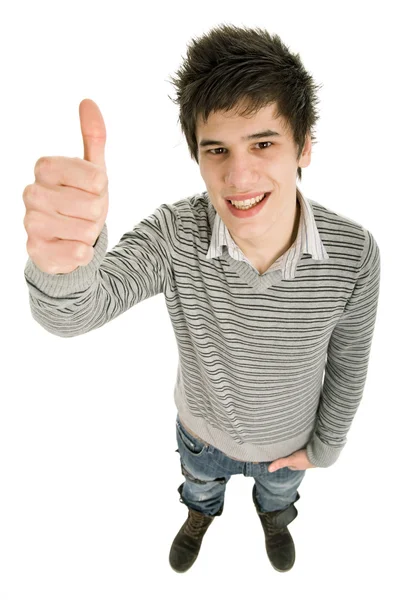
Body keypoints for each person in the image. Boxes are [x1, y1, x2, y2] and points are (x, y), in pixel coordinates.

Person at [22, 24, 381, 574]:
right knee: (199, 486)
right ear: (197, 155)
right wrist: (62, 261)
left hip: (287, 445)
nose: (238, 177)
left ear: (305, 145)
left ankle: (275, 517)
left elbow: (349, 364)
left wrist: (325, 449)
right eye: (217, 149)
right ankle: (200, 514)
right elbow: (74, 313)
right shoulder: (175, 233)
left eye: (263, 143)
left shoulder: (355, 254)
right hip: (201, 433)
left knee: (278, 495)